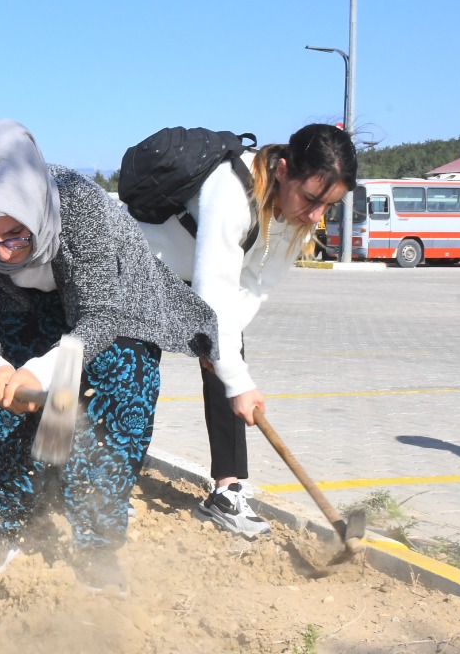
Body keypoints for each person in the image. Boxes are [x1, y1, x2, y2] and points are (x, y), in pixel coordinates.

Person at [0, 119, 218, 594]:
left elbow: (99, 316)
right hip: (28, 307)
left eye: (15, 235)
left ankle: (96, 545)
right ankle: (10, 518)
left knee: (110, 413)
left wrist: (41, 371)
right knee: (7, 417)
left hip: (115, 308)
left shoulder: (78, 203)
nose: (4, 254)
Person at [136, 123, 356, 538]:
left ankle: (227, 491)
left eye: (328, 206)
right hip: (143, 269)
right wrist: (236, 379)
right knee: (133, 377)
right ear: (283, 170)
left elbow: (254, 286)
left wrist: (224, 357)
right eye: (310, 199)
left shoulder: (296, 214)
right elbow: (212, 290)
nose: (315, 215)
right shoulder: (231, 189)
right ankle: (103, 481)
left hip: (197, 279)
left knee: (228, 352)